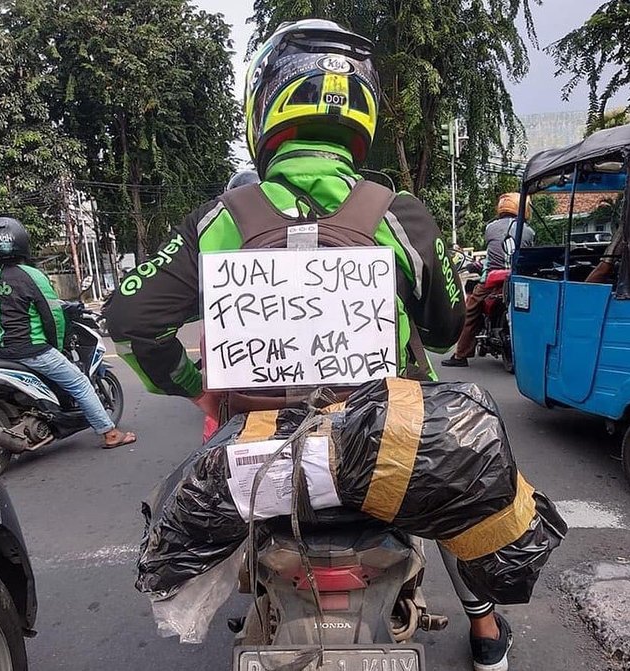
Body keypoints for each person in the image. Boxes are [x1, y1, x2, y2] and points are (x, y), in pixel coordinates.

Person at [108, 19, 512, 671]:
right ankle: (486, 625)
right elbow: (442, 331)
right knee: (452, 484)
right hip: (389, 450)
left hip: (262, 446)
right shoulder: (400, 211)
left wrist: (195, 384)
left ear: (263, 108)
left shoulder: (222, 218)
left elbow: (129, 319)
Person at [0, 217, 136, 449]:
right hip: (30, 350)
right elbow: (54, 318)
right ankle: (110, 433)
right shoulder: (31, 275)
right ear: (21, 241)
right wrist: (56, 345)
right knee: (80, 383)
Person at [443, 192, 535, 368]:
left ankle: (461, 355)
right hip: (519, 278)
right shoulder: (528, 231)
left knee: (471, 310)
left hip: (492, 279)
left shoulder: (490, 228)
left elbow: (493, 251)